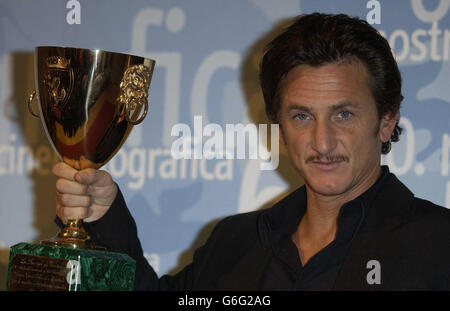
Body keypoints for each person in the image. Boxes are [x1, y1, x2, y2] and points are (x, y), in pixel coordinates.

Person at [52, 13, 450, 290]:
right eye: (301, 116)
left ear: (386, 120)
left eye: (343, 114)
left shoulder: (438, 245)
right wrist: (103, 216)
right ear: (279, 125)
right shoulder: (236, 242)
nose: (322, 142)